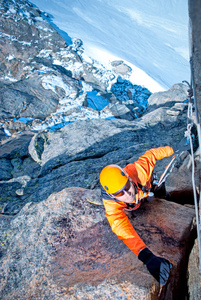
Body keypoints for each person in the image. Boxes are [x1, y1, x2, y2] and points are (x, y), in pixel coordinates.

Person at [99, 146, 174, 285]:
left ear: (127, 177)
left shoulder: (138, 171)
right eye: (120, 194)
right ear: (112, 195)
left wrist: (174, 149)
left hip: (147, 190)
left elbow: (152, 154)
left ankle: (162, 193)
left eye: (127, 187)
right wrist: (146, 256)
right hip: (140, 201)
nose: (127, 194)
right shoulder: (111, 204)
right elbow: (121, 228)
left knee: (159, 191)